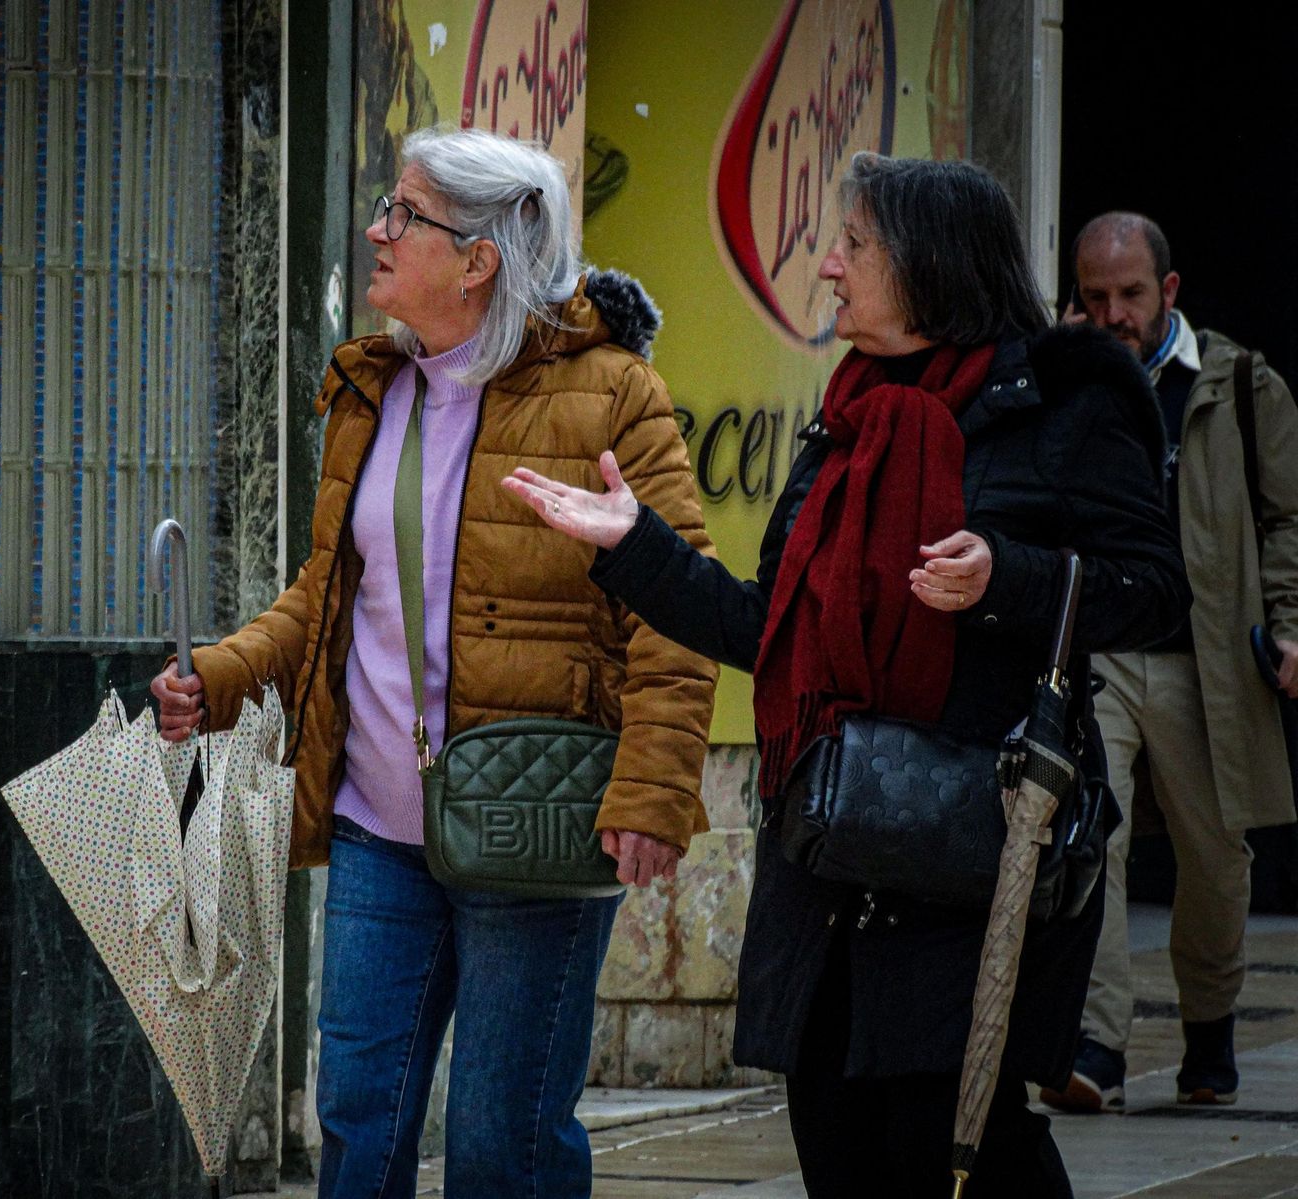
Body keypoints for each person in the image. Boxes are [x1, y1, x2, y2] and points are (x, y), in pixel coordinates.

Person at [504, 154, 1189, 1195]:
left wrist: (1011, 575)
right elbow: (768, 627)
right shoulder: (846, 415)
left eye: (853, 245)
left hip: (967, 848)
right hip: (827, 850)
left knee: (959, 1141)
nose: (827, 267)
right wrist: (634, 543)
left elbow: (1155, 593)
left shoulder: (1064, 401)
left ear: (927, 263)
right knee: (836, 1137)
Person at [150, 126, 716, 1198]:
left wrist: (651, 790)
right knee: (360, 1118)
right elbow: (329, 596)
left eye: (403, 215)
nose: (376, 229)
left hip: (534, 823)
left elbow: (676, 607)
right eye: (385, 206)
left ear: (478, 259)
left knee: (504, 1137)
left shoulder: (612, 394)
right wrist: (218, 678)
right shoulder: (374, 390)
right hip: (377, 821)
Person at [1039, 213, 1298, 1113]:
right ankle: (1099, 1045)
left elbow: (1285, 517)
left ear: (1170, 293)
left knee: (1216, 855)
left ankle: (1208, 1031)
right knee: (1092, 840)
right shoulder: (1066, 375)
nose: (1114, 315)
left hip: (1206, 658)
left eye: (1131, 295)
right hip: (1103, 647)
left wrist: (1291, 623)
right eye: (1095, 296)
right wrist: (1053, 370)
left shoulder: (1235, 381)